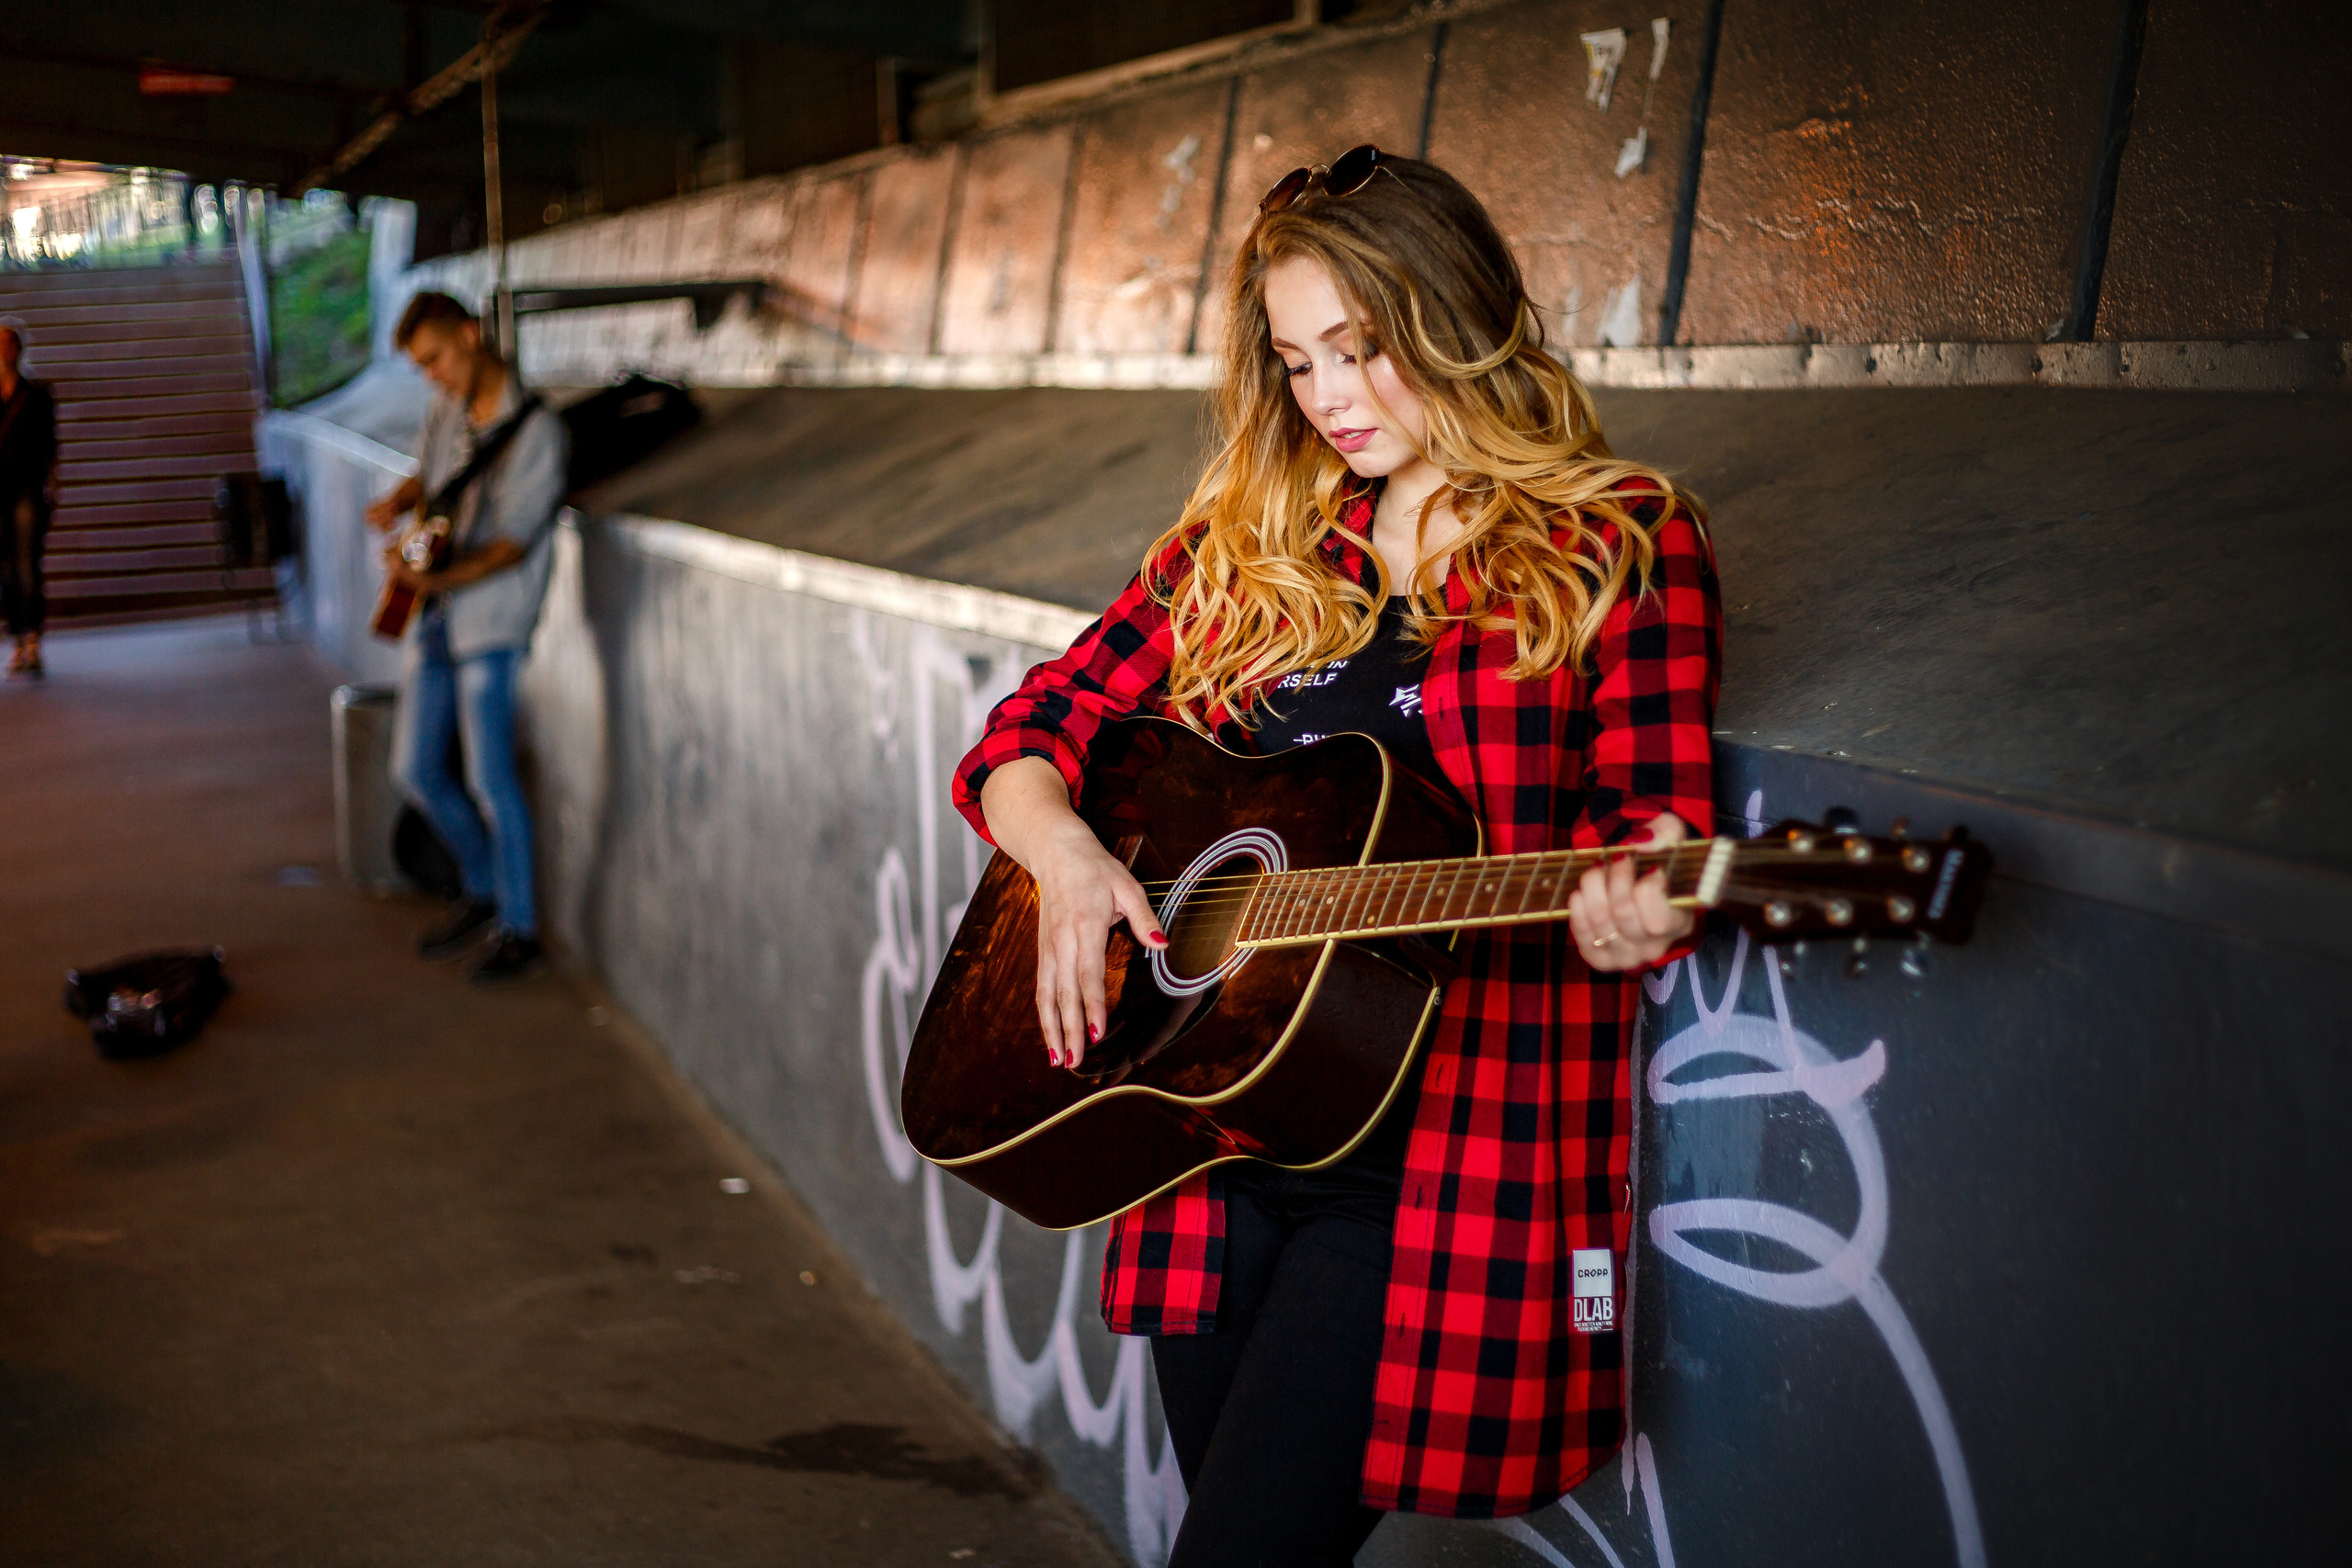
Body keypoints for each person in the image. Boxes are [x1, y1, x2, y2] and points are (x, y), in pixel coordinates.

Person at [950, 147, 1721, 1563]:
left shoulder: (1615, 540)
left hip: (1436, 1166)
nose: (1333, 400)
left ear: (1459, 319)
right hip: (1208, 1140)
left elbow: (1650, 818)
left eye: (1365, 350)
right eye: (1300, 362)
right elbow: (1037, 719)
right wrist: (1059, 849)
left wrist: (1635, 897)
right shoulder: (1252, 547)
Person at [365, 291, 568, 984]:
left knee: (491, 779)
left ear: (471, 336)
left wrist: (436, 585)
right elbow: (434, 480)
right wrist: (398, 502)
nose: (432, 376)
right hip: (438, 614)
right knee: (415, 768)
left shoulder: (536, 429)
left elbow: (513, 544)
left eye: (435, 359)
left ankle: (520, 924)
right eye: (421, 366)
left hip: (492, 621)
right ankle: (481, 886)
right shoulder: (446, 408)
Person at [0, 321, 58, 677]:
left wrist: (52, 484)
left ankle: (32, 637)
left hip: (26, 488)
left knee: (26, 564)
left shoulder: (36, 395)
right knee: (6, 568)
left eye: (9, 344)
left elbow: (50, 446)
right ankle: (18, 640)